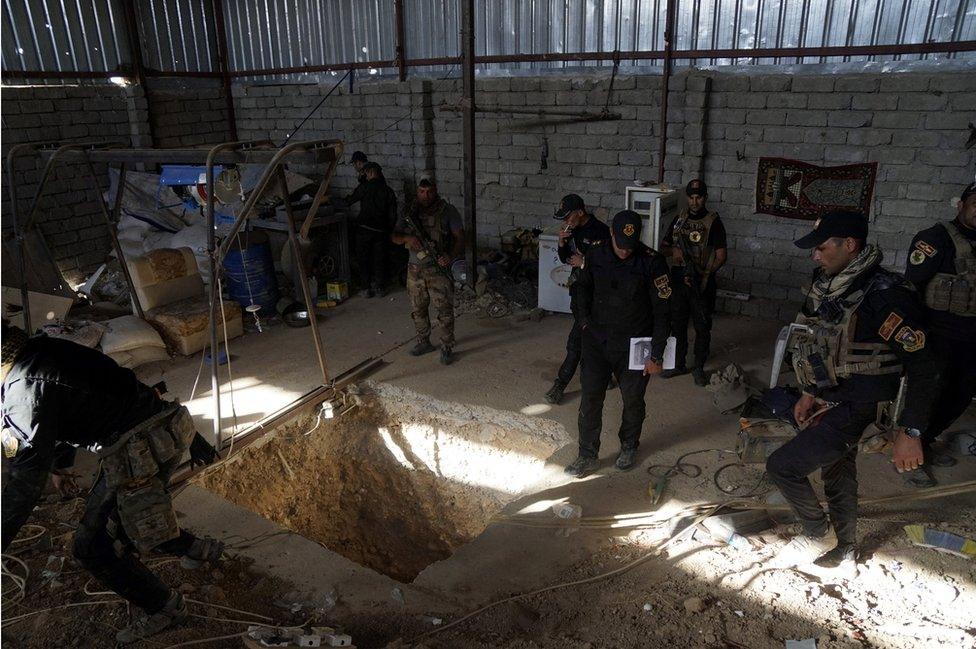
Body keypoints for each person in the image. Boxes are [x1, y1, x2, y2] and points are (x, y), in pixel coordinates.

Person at [1, 321, 222, 643]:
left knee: (92, 545)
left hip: (136, 450)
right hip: (165, 429)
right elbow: (67, 407)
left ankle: (165, 608)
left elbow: (25, 484)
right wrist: (61, 469)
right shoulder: (46, 349)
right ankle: (198, 549)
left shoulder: (22, 392)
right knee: (131, 517)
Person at [765, 211, 940, 568]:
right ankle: (844, 547)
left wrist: (911, 431)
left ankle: (818, 533)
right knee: (837, 470)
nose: (815, 255)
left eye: (821, 247)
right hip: (832, 396)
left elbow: (927, 365)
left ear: (850, 245)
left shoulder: (885, 297)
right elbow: (817, 343)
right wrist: (809, 392)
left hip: (861, 405)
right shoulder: (829, 285)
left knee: (782, 466)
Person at [565, 210, 672, 477]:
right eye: (621, 246)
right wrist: (583, 321)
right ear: (611, 233)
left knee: (633, 399)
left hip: (634, 345)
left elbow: (663, 312)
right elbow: (582, 288)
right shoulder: (595, 254)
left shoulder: (652, 262)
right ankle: (587, 454)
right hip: (597, 342)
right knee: (590, 398)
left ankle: (628, 446)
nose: (625, 252)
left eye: (630, 247)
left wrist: (656, 355)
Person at [903, 181, 976, 486]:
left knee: (961, 393)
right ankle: (906, 458)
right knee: (926, 395)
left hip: (971, 337)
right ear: (961, 205)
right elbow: (910, 289)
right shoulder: (934, 240)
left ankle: (926, 442)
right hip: (937, 335)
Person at [659, 179, 728, 386]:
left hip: (702, 283)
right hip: (680, 279)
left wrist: (705, 274)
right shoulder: (679, 220)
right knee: (677, 324)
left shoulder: (714, 222)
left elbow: (721, 256)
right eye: (691, 197)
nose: (695, 201)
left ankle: (698, 367)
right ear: (687, 198)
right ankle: (678, 364)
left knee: (702, 326)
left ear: (705, 197)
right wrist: (674, 251)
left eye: (699, 197)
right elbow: (663, 248)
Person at [392, 172, 465, 365]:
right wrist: (408, 239)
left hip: (438, 270)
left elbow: (460, 238)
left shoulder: (448, 211)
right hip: (415, 270)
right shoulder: (409, 212)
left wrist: (450, 256)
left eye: (429, 191)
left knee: (444, 310)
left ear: (436, 191)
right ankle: (424, 341)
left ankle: (447, 346)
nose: (425, 195)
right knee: (418, 309)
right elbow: (394, 236)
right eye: (422, 191)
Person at [545, 194, 610, 405]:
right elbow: (567, 260)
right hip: (579, 293)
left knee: (577, 342)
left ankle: (560, 385)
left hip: (596, 296)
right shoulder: (572, 230)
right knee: (588, 338)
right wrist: (562, 243)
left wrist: (585, 262)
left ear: (580, 212)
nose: (565, 222)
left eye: (568, 217)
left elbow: (607, 267)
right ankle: (603, 375)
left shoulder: (600, 231)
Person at [348, 162, 397, 298]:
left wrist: (331, 201)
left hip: (363, 231)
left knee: (364, 260)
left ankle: (366, 288)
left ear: (369, 172)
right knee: (379, 259)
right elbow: (393, 215)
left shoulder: (364, 188)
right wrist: (388, 230)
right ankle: (380, 287)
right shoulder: (388, 190)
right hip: (381, 232)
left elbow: (349, 201)